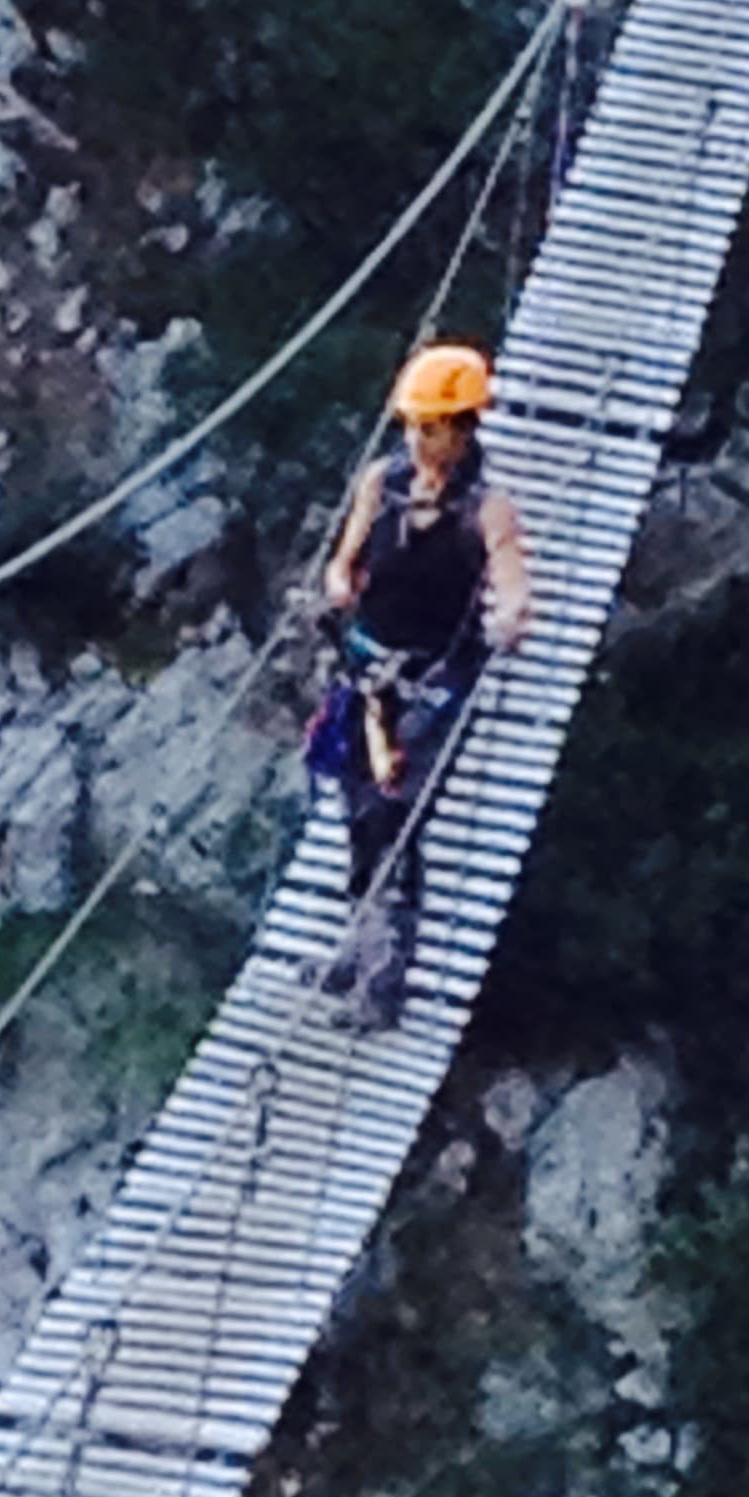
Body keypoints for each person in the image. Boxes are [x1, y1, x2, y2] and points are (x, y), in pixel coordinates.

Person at [311, 339, 531, 1025]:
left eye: (431, 429)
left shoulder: (486, 511)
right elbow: (345, 559)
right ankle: (355, 948)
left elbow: (513, 585)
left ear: (464, 431)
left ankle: (385, 980)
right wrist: (340, 583)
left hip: (430, 690)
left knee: (396, 823)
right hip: (366, 674)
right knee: (355, 814)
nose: (417, 441)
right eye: (412, 427)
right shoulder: (383, 483)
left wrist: (510, 616)